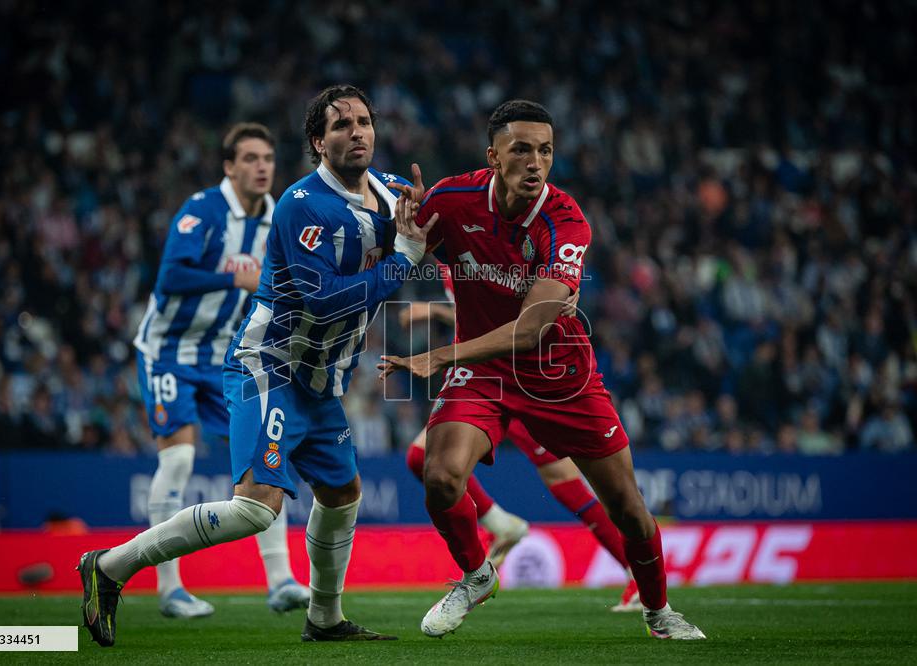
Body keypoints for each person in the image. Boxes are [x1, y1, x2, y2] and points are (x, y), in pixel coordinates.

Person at [78, 84, 436, 646]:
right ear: (319, 142)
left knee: (343, 495)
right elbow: (325, 301)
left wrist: (431, 228)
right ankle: (109, 567)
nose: (357, 131)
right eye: (341, 125)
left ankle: (324, 618)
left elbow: (428, 230)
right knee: (256, 509)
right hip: (270, 366)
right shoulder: (301, 205)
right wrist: (404, 260)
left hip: (322, 381)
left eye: (364, 121)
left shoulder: (392, 193)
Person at [381, 100, 705, 639]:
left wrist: (439, 354)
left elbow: (531, 329)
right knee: (437, 474)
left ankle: (658, 610)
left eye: (546, 151)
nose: (536, 163)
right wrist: (404, 234)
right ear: (493, 156)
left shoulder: (567, 221)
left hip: (560, 377)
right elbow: (399, 259)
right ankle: (476, 575)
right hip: (485, 373)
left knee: (628, 508)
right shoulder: (451, 200)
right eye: (522, 150)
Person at [129, 122, 310, 619]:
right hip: (168, 353)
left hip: (226, 357)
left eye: (268, 159)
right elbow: (169, 277)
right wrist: (235, 276)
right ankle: (169, 589)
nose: (261, 167)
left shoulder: (276, 216)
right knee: (180, 462)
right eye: (250, 158)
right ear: (229, 166)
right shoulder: (203, 209)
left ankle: (281, 581)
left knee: (267, 457)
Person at [400, 267, 639, 612]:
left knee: (565, 481)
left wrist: (569, 292)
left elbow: (525, 308)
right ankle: (501, 524)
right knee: (421, 458)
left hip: (525, 378)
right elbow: (480, 319)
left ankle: (635, 571)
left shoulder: (482, 247)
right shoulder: (449, 254)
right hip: (484, 381)